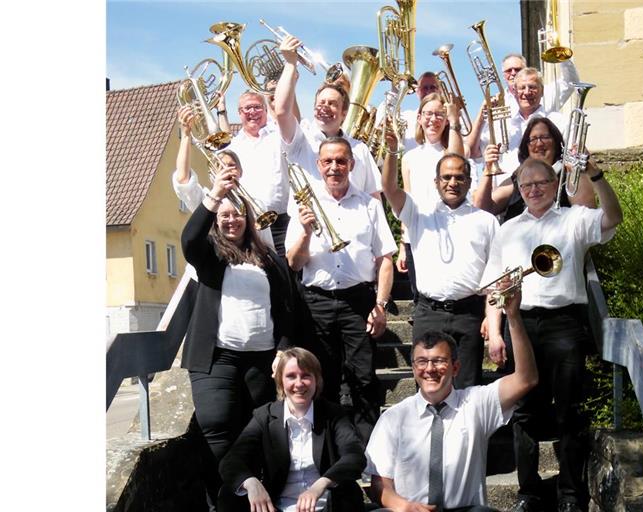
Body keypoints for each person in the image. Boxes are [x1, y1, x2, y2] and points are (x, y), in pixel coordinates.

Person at [480, 157, 622, 512]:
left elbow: (613, 217)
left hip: (565, 322)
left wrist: (596, 176)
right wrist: (494, 330)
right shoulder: (507, 228)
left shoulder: (573, 218)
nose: (533, 190)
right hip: (521, 324)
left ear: (554, 183)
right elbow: (495, 284)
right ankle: (528, 493)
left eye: (540, 183)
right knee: (525, 412)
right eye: (526, 186)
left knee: (569, 411)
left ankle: (571, 496)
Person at [180, 167, 299, 506]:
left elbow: (286, 310)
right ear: (217, 220)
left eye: (238, 215)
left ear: (248, 219)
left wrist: (283, 349)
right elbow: (188, 240)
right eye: (225, 216)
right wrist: (214, 195)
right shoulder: (209, 255)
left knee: (260, 431)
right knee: (217, 427)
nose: (232, 221)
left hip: (261, 361)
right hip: (216, 358)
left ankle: (255, 495)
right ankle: (230, 497)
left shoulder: (268, 260)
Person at [364, 290, 538, 511]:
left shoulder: (476, 403)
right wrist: (404, 506)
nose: (430, 369)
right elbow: (380, 485)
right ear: (414, 369)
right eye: (422, 362)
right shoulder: (394, 418)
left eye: (438, 361)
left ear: (455, 368)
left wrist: (513, 317)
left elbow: (526, 378)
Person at [284, 136, 396, 444]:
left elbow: (386, 259)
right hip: (315, 302)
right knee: (321, 379)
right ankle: (328, 449)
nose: (335, 167)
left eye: (341, 161)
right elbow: (294, 263)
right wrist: (306, 232)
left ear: (352, 165)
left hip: (358, 301)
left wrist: (381, 305)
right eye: (328, 161)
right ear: (319, 166)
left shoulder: (370, 205)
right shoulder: (303, 205)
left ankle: (366, 452)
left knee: (363, 377)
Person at [381, 136, 498, 388]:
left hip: (468, 314)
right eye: (446, 177)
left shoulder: (486, 221)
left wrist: (492, 318)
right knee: (427, 387)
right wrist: (392, 151)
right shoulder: (418, 212)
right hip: (428, 313)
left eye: (459, 177)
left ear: (469, 181)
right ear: (436, 182)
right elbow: (389, 188)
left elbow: (494, 276)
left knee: (466, 391)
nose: (452, 182)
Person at [218, 347, 367, 512]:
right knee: (229, 494)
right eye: (291, 376)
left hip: (327, 505)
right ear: (281, 381)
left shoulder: (333, 414)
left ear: (317, 380)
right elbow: (231, 461)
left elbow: (355, 456)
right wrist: (251, 482)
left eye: (306, 376)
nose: (299, 383)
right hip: (278, 506)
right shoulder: (264, 416)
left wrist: (322, 484)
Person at [274, 34, 382, 198]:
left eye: (332, 103)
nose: (324, 106)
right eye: (321, 102)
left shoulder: (360, 149)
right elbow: (281, 112)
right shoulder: (301, 139)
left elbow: (374, 196)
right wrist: (290, 63)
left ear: (343, 113)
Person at [173, 105, 276, 249]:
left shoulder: (257, 204)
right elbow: (183, 179)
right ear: (212, 175)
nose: (226, 170)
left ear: (240, 172)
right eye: (220, 167)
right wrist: (185, 136)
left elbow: (268, 248)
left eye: (231, 166)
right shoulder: (204, 199)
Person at [396, 92, 465, 302]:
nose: (433, 119)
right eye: (427, 114)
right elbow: (406, 201)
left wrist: (455, 120)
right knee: (420, 297)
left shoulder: (448, 152)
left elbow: (457, 159)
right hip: (416, 235)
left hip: (447, 231)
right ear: (419, 118)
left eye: (439, 114)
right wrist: (402, 244)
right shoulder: (409, 158)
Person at [474, 117, 596, 222]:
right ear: (526, 147)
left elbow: (587, 215)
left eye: (545, 137)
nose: (539, 144)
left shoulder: (568, 173)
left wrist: (584, 168)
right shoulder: (518, 176)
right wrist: (488, 170)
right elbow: (483, 209)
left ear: (556, 143)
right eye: (533, 139)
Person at [465, 67, 568, 191]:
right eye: (522, 88)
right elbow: (473, 153)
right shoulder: (500, 122)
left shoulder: (557, 120)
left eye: (532, 87)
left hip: (544, 190)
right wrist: (482, 116)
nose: (527, 92)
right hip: (503, 194)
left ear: (542, 91)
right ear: (513, 92)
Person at [219, 90, 292, 256]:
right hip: (250, 224)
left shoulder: (278, 135)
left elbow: (288, 117)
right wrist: (221, 109)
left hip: (282, 222)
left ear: (265, 110)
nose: (252, 112)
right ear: (239, 113)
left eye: (257, 107)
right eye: (247, 109)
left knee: (289, 275)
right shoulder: (234, 146)